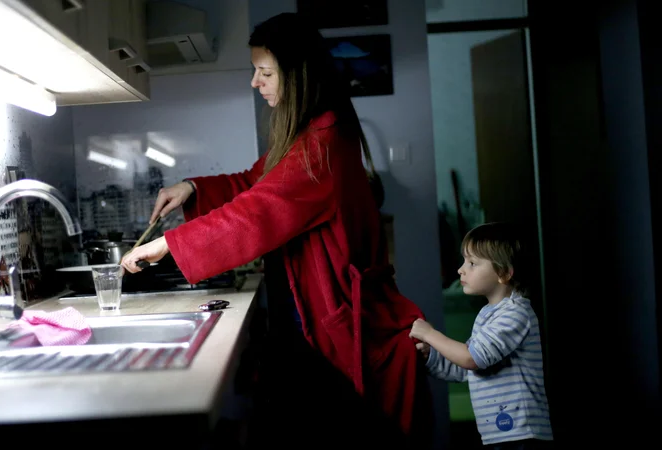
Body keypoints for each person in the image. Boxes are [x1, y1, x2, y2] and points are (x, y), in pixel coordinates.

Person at [122, 12, 431, 448]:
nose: (255, 82)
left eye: (265, 72)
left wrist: (167, 245)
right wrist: (191, 187)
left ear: (298, 74)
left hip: (332, 319)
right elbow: (257, 183)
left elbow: (258, 210)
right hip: (314, 313)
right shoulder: (310, 134)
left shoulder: (321, 146)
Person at [409, 222, 553, 449]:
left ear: (503, 273)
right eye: (464, 261)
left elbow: (471, 359)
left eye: (472, 263)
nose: (461, 269)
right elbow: (465, 367)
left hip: (521, 433)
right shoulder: (488, 315)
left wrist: (430, 334)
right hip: (501, 433)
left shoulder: (516, 313)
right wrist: (430, 356)